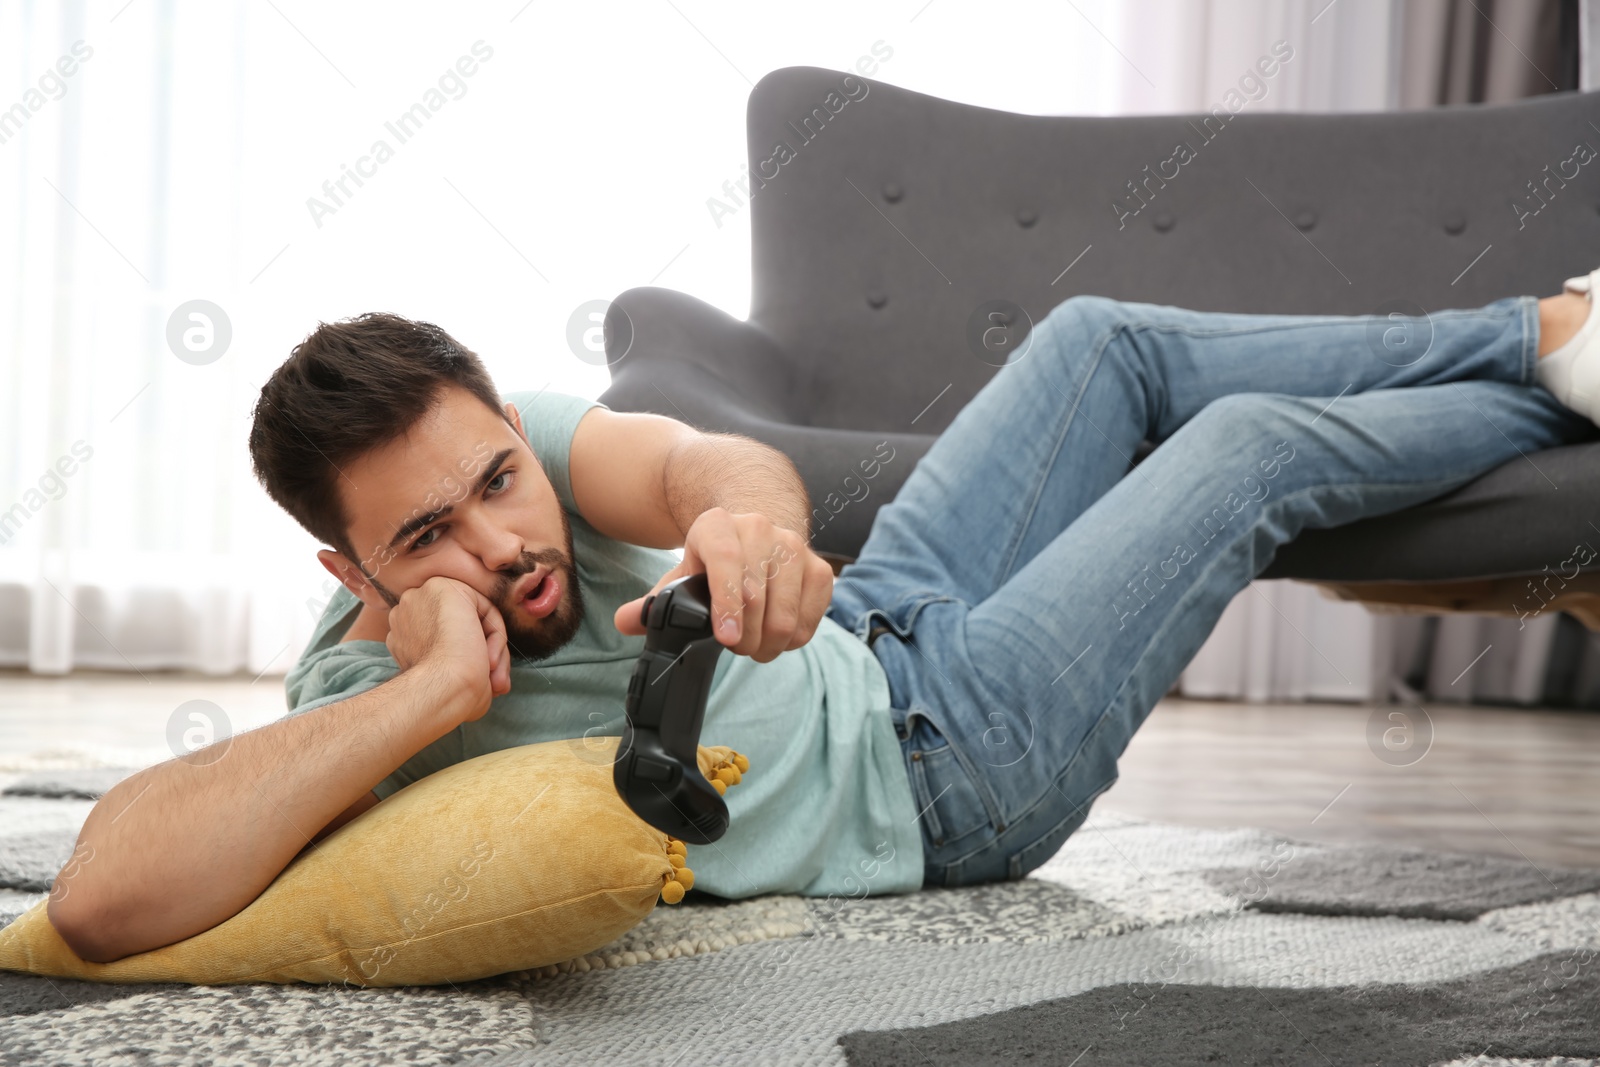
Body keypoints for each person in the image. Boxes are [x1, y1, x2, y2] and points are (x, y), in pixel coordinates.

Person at [45, 273, 1600, 962]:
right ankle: (1557, 407)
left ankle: (1541, 332)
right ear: (351, 575)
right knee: (1244, 452)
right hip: (949, 766)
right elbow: (102, 900)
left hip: (890, 624)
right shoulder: (358, 694)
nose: (511, 541)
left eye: (502, 479)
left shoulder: (529, 444)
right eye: (429, 537)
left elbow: (706, 456)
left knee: (1097, 344)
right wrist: (430, 696)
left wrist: (749, 520)